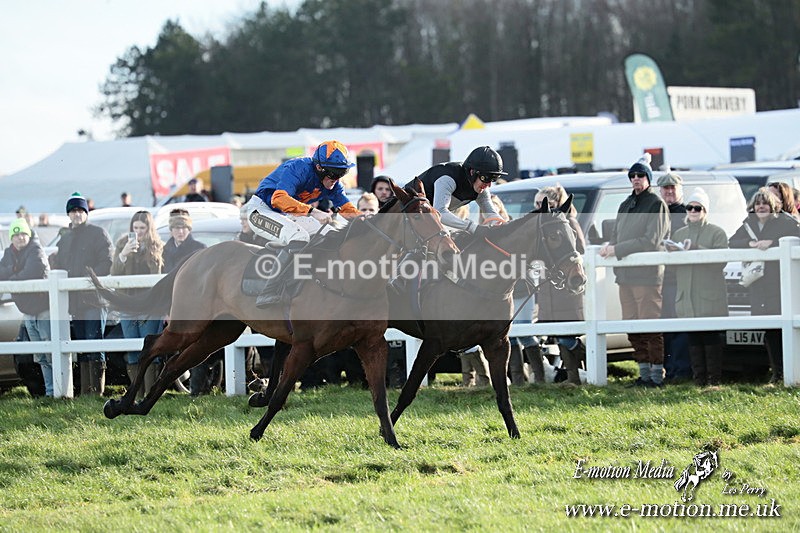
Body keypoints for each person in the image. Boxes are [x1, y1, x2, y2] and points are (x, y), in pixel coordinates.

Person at [244, 140, 361, 307]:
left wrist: (366, 219)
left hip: (288, 214)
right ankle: (269, 290)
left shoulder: (332, 182)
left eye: (342, 173)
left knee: (331, 234)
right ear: (320, 168)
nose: (337, 179)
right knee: (300, 236)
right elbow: (279, 199)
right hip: (261, 211)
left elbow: (346, 207)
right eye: (334, 173)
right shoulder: (297, 168)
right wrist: (313, 211)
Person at [599, 154, 670, 388]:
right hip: (625, 275)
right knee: (631, 324)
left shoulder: (656, 204)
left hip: (647, 275)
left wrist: (617, 248)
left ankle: (656, 375)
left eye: (641, 175)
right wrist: (612, 246)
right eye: (633, 176)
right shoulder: (625, 204)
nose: (636, 179)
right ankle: (643, 374)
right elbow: (616, 234)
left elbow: (651, 240)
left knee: (649, 325)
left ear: (648, 179)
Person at [729, 187, 800, 385]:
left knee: (786, 328)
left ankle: (790, 372)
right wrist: (751, 243)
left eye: (765, 203)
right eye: (758, 203)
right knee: (769, 329)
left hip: (782, 283)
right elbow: (732, 242)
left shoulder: (785, 221)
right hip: (759, 285)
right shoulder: (748, 223)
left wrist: (774, 242)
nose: (761, 207)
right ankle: (777, 373)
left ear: (773, 205)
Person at [51, 192, 113, 395]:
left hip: (94, 299)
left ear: (86, 212)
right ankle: (86, 390)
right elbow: (60, 264)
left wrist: (89, 280)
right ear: (69, 214)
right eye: (73, 211)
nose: (77, 214)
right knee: (82, 344)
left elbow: (107, 261)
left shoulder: (98, 233)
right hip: (74, 300)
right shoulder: (65, 238)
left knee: (94, 341)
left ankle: (96, 390)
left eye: (80, 210)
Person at [668, 188, 728, 388]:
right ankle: (698, 380)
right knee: (693, 338)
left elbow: (721, 262)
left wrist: (696, 250)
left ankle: (713, 380)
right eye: (690, 207)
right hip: (687, 296)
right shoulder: (679, 233)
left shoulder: (717, 232)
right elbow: (673, 267)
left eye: (698, 207)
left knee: (710, 337)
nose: (693, 211)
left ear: (705, 210)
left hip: (709, 295)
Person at [533, 185, 586, 385]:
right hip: (550, 288)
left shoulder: (568, 222)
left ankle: (575, 376)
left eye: (543, 203)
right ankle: (570, 376)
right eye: (537, 203)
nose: (539, 207)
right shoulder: (542, 226)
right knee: (557, 334)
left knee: (567, 335)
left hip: (566, 286)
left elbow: (578, 249)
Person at [111, 210, 165, 399]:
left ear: (149, 228)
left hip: (149, 307)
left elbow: (157, 278)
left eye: (142, 228)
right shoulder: (122, 244)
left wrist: (150, 254)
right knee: (133, 350)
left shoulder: (157, 246)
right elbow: (114, 273)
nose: (139, 231)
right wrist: (124, 255)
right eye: (135, 228)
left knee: (150, 349)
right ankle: (136, 391)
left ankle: (150, 392)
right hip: (128, 305)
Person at [0, 219, 51, 396]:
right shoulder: (9, 253)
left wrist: (13, 274)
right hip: (27, 311)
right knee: (39, 355)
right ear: (11, 238)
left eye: (23, 234)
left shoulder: (36, 250)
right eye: (16, 234)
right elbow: (1, 272)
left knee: (50, 353)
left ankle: (56, 391)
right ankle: (49, 393)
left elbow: (33, 271)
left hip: (44, 309)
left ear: (28, 235)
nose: (20, 238)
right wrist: (15, 273)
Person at [411, 145, 505, 235]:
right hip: (404, 214)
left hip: (423, 219)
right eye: (487, 178)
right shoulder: (448, 179)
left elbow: (492, 216)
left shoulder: (480, 186)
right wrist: (472, 227)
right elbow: (440, 212)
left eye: (493, 179)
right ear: (472, 172)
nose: (489, 185)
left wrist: (504, 226)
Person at [656, 171, 691, 383]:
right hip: (658, 277)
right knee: (664, 327)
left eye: (673, 188)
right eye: (666, 188)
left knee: (678, 325)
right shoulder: (656, 213)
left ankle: (681, 370)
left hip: (678, 278)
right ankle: (669, 370)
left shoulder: (688, 212)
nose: (669, 192)